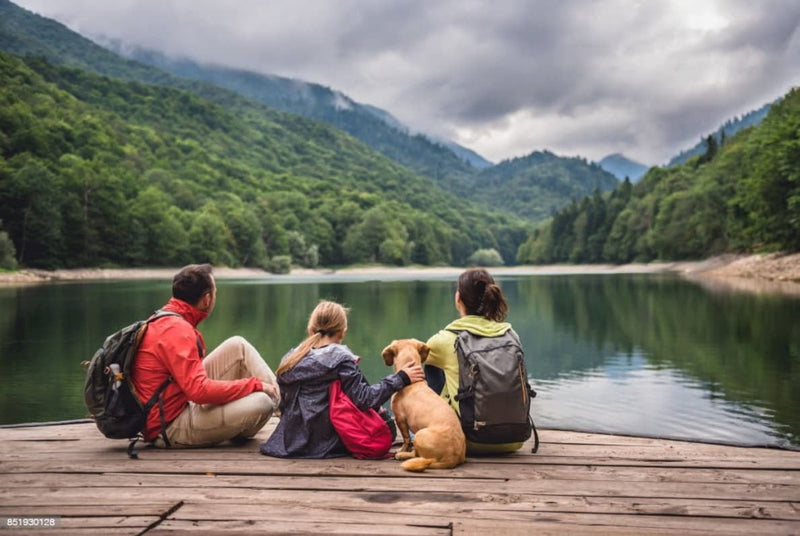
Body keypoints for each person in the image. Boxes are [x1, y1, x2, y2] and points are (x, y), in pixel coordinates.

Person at [131, 263, 280, 448]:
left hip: (178, 402)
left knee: (237, 345)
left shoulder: (166, 318)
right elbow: (199, 392)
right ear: (207, 299)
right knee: (262, 402)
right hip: (169, 426)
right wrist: (254, 385)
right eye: (215, 291)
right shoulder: (178, 331)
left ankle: (285, 406)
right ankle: (281, 407)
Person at [261, 300, 425, 458]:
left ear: (311, 330)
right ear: (342, 332)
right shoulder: (341, 359)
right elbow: (365, 399)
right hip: (328, 442)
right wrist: (401, 378)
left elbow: (284, 405)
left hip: (289, 441)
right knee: (386, 424)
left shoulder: (291, 358)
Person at [425, 267, 525, 454]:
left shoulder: (444, 340)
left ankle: (426, 430)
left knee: (430, 366)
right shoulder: (511, 335)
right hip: (515, 438)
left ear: (458, 298)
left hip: (465, 440)